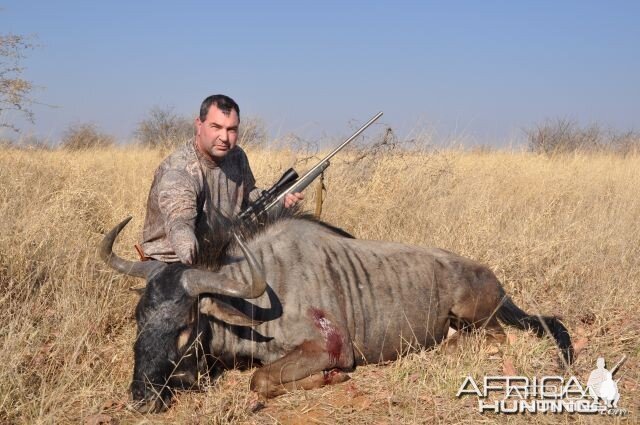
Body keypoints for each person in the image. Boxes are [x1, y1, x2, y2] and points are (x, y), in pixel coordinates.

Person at [138, 94, 303, 265]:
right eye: (216, 127)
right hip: (172, 261)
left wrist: (280, 200)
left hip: (221, 254)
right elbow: (179, 222)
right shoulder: (179, 171)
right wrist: (188, 250)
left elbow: (249, 195)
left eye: (231, 129)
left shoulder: (237, 156)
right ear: (199, 125)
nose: (224, 138)